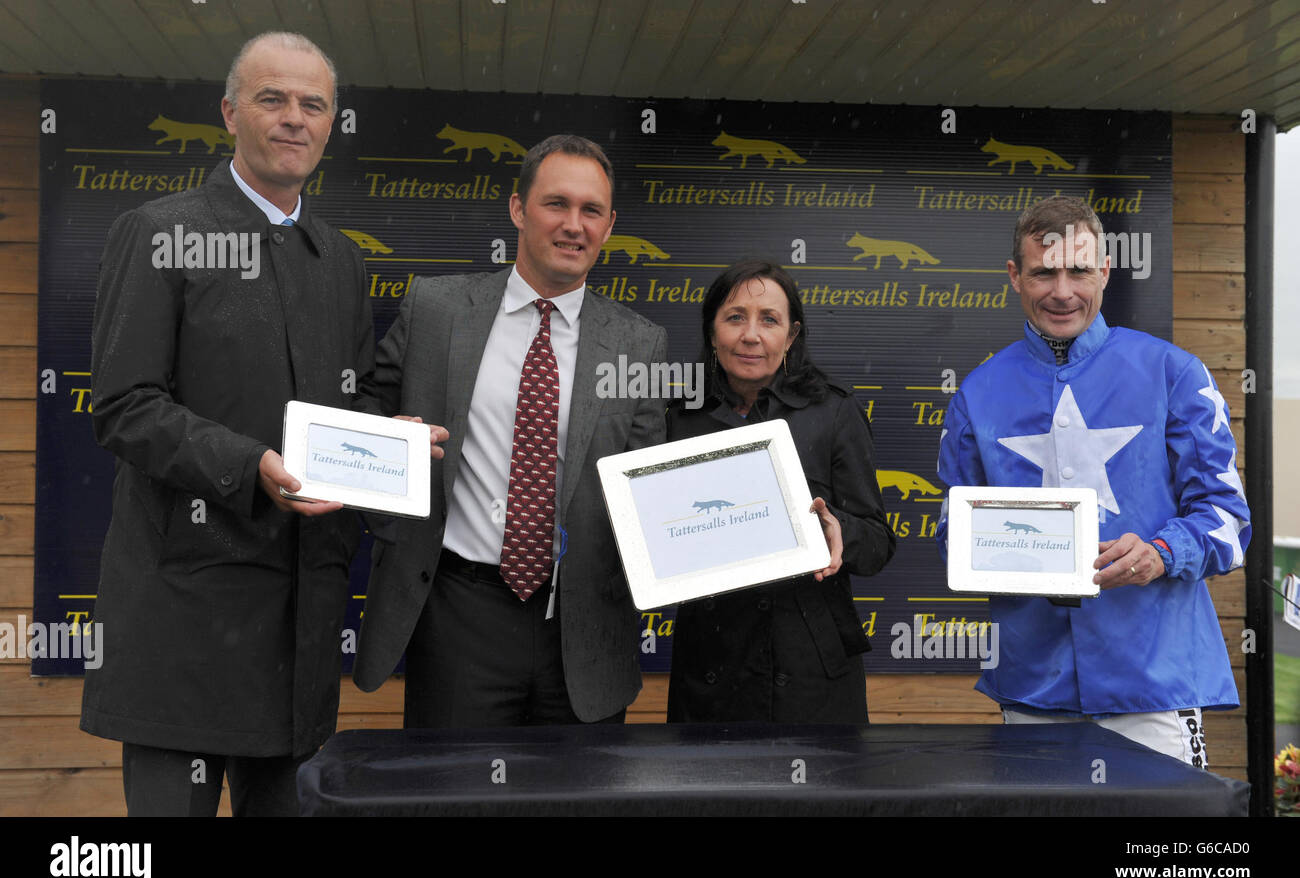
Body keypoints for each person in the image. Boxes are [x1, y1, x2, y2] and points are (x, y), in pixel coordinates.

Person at [82, 32, 374, 814]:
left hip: (298, 633)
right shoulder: (157, 232)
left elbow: (347, 411)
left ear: (331, 122)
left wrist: (392, 443)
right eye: (271, 98)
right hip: (184, 623)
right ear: (229, 113)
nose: (293, 118)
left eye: (313, 104)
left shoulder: (341, 261)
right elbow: (123, 405)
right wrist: (250, 466)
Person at [353, 134, 668, 727]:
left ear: (609, 224)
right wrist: (387, 444)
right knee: (453, 794)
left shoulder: (639, 344)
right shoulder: (435, 308)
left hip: (583, 626)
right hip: (457, 613)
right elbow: (367, 410)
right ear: (519, 210)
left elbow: (645, 481)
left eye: (591, 210)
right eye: (556, 204)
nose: (574, 225)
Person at [936, 197, 1249, 766]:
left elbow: (1229, 522)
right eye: (1043, 273)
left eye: (1079, 271)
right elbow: (952, 534)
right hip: (1031, 687)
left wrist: (1160, 552)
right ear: (1014, 277)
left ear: (1105, 270)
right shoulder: (975, 395)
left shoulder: (1176, 373)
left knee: (1165, 858)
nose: (1062, 291)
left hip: (1154, 685)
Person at [666, 260, 896, 723]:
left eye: (769, 320)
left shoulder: (834, 412)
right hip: (711, 665)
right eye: (735, 318)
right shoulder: (677, 419)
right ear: (712, 333)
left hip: (811, 670)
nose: (751, 335)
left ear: (791, 337)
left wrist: (837, 532)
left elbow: (877, 544)